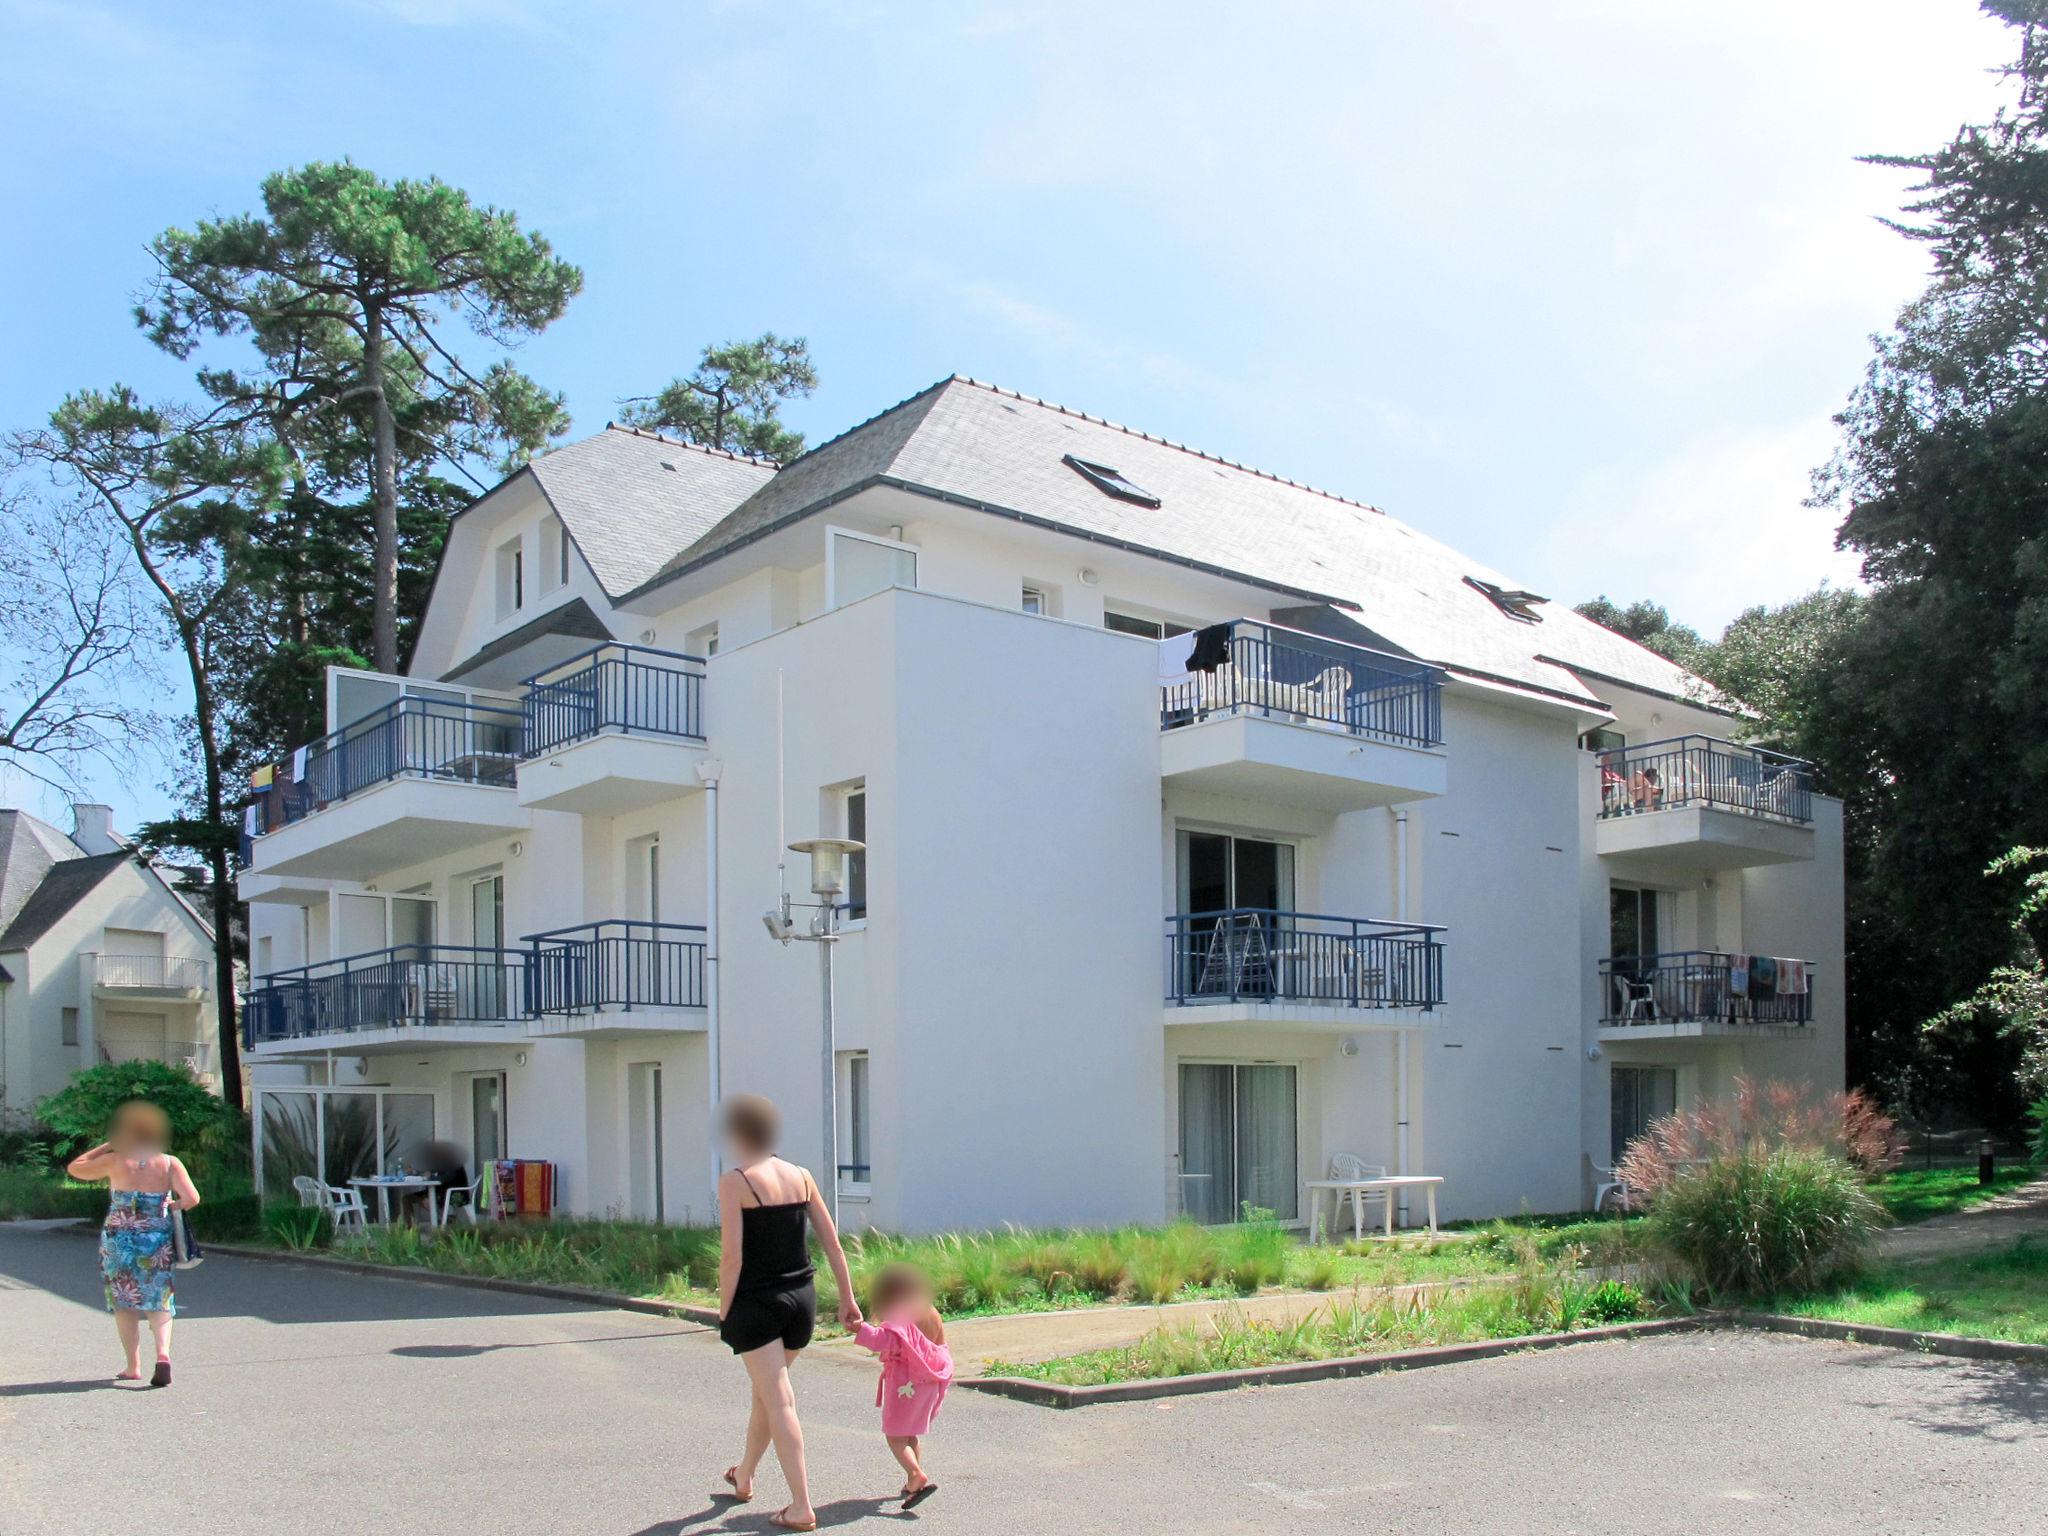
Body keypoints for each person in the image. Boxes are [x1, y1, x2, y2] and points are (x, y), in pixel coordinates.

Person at [713, 1094, 860, 1533]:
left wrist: (724, 1310)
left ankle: (801, 1506)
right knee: (767, 1394)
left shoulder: (736, 1182)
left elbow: (731, 1259)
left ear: (739, 1134)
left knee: (779, 1399)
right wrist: (849, 1300)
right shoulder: (802, 1176)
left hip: (758, 1305)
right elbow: (833, 1244)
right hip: (802, 1302)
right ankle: (744, 1476)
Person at [65, 1099, 202, 1388]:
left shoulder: (115, 1160)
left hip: (119, 1240)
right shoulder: (169, 1163)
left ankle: (132, 1366)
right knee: (159, 1298)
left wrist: (107, 1145)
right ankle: (163, 1356)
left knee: (124, 1301)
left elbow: (75, 1168)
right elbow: (192, 1198)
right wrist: (169, 1207)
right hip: (156, 1240)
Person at [852, 1263, 953, 1510]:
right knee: (910, 1434)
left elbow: (883, 1340)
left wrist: (858, 1328)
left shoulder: (902, 1314)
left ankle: (916, 1473)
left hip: (905, 1386)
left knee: (895, 1436)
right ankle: (911, 1482)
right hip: (929, 1383)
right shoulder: (930, 1311)